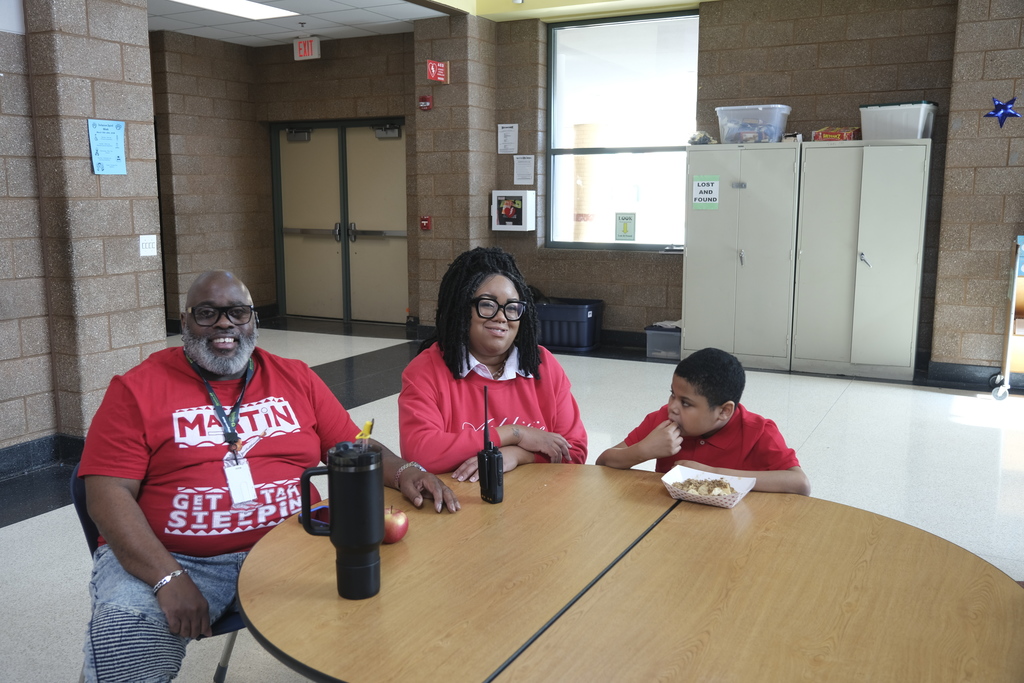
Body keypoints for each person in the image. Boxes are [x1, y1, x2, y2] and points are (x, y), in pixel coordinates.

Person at [77, 270, 459, 682]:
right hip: (178, 558)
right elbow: (106, 494)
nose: (225, 323)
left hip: (296, 543)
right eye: (208, 313)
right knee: (126, 637)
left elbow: (352, 449)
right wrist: (166, 576)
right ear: (185, 323)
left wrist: (406, 470)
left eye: (237, 313)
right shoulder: (136, 389)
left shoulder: (295, 377)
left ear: (253, 322)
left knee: (407, 598)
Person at [399, 247, 587, 481]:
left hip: (537, 502)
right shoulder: (426, 371)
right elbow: (421, 454)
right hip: (462, 505)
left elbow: (575, 451)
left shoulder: (542, 365)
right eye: (487, 304)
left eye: (512, 308)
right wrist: (515, 434)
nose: (501, 317)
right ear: (461, 308)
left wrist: (518, 455)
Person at [596, 347, 810, 495]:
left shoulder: (758, 431)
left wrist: (711, 473)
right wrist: (643, 450)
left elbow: (799, 483)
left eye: (686, 403)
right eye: (672, 394)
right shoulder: (664, 421)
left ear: (724, 411)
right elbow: (603, 462)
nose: (673, 407)